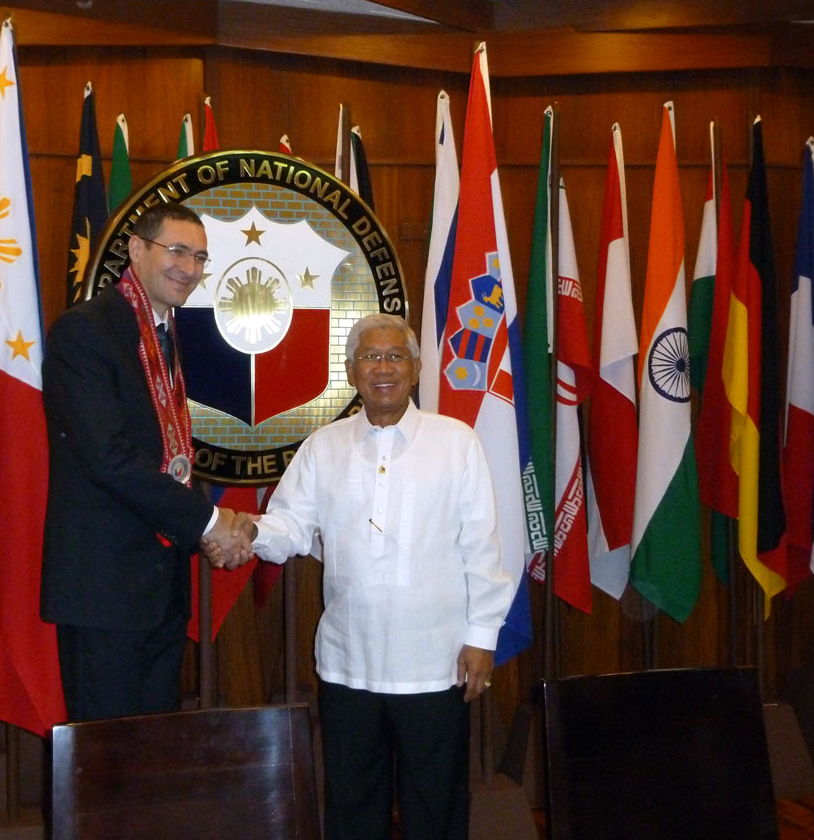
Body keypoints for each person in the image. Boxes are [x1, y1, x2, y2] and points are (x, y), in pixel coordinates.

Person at [205, 313, 514, 840]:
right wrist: (249, 532)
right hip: (349, 665)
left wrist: (483, 638)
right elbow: (291, 525)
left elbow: (483, 547)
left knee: (436, 811)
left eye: (395, 356)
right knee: (352, 811)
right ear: (351, 372)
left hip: (435, 665)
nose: (383, 368)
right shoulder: (324, 446)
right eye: (370, 357)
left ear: (416, 368)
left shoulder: (456, 442)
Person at [41, 201, 243, 721]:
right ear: (136, 249)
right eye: (177, 250)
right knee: (106, 755)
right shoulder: (85, 331)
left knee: (154, 751)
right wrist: (209, 522)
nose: (189, 268)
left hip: (161, 589)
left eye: (200, 257)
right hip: (104, 592)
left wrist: (199, 530)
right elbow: (108, 456)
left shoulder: (167, 333)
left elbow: (168, 453)